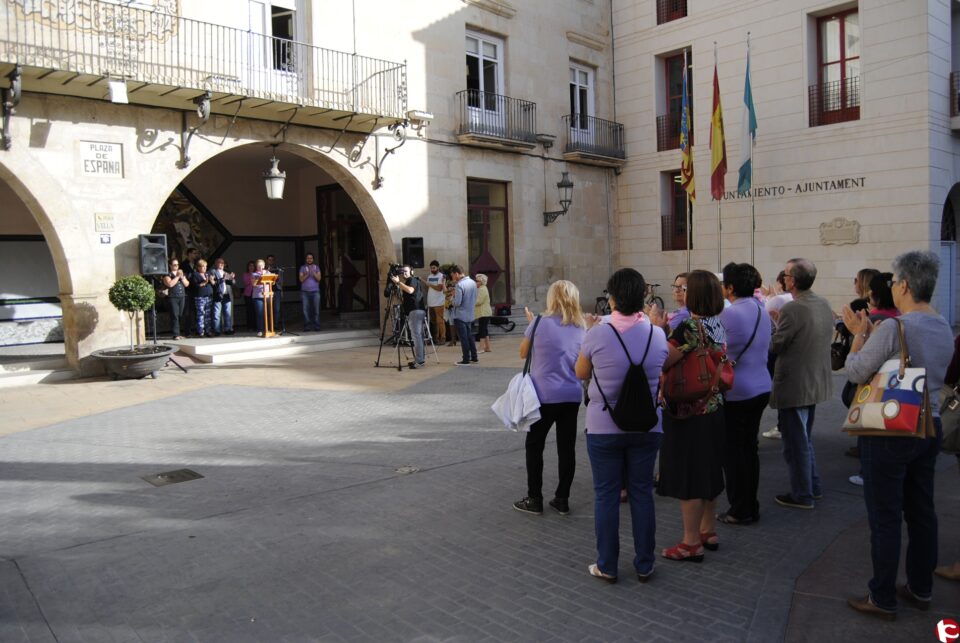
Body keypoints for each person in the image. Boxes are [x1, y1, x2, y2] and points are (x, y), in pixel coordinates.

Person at [842, 250, 953, 620]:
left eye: (893, 281)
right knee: (922, 510)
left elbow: (856, 371)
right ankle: (920, 588)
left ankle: (882, 596)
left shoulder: (896, 327)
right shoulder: (943, 326)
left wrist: (859, 337)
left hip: (891, 429)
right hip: (929, 424)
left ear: (904, 285)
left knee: (885, 515)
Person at [576, 268, 669, 582]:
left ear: (612, 297)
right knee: (642, 494)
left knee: (606, 496)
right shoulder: (658, 335)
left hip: (604, 426)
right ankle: (645, 564)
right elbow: (661, 367)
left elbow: (580, 372)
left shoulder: (598, 332)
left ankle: (607, 564)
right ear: (644, 296)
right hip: (648, 425)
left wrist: (591, 331)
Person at [651, 270, 726, 562]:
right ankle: (708, 529)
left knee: (689, 474)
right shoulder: (717, 324)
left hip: (689, 408)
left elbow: (664, 358)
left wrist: (658, 330)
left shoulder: (689, 328)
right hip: (714, 404)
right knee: (709, 467)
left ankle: (690, 542)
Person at [513, 280, 586, 516]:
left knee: (534, 446)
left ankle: (534, 498)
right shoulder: (582, 327)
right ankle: (562, 498)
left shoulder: (539, 323)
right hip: (571, 395)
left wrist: (532, 327)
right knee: (567, 449)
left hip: (543, 396)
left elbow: (523, 352)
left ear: (552, 298)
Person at [769, 258, 834, 509]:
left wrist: (773, 327)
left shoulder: (794, 309)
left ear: (792, 281)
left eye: (785, 274)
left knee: (796, 444)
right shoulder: (822, 302)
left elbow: (776, 345)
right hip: (814, 381)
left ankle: (803, 494)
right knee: (804, 439)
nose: (783, 278)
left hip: (796, 383)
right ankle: (812, 486)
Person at [717, 263, 771, 525]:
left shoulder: (730, 315)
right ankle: (750, 504)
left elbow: (713, 348)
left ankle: (740, 508)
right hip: (761, 386)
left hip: (738, 390)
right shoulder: (761, 310)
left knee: (734, 453)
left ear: (729, 288)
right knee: (749, 449)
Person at [761, 270, 793, 440]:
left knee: (776, 387)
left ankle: (782, 426)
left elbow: (766, 315)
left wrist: (768, 298)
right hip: (792, 353)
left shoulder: (779, 300)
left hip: (775, 348)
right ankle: (785, 425)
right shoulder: (793, 299)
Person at [390, 265, 427, 369]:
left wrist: (398, 282)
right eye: (403, 272)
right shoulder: (409, 281)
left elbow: (410, 290)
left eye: (406, 271)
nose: (404, 273)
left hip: (415, 311)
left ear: (412, 271)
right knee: (418, 336)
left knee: (417, 336)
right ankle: (420, 359)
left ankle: (419, 360)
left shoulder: (412, 280)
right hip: (415, 311)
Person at [449, 266, 478, 365]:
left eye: (452, 275)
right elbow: (475, 298)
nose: (453, 277)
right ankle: (474, 357)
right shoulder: (473, 283)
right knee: (469, 336)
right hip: (470, 313)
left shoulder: (459, 285)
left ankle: (466, 359)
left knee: (463, 338)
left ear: (456, 273)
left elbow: (457, 302)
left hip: (460, 315)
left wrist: (451, 300)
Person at [162, 257, 189, 340]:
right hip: (173, 297)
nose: (176, 266)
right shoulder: (167, 275)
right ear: (170, 265)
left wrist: (182, 277)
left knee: (180, 314)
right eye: (174, 265)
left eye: (177, 265)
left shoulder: (181, 274)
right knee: (175, 315)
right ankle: (175, 334)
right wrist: (177, 277)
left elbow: (187, 284)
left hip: (182, 296)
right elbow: (170, 284)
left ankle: (179, 332)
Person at [209, 257, 235, 336]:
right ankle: (217, 330)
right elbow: (213, 282)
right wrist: (222, 278)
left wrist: (232, 278)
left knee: (227, 313)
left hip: (226, 294)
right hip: (218, 294)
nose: (222, 264)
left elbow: (233, 283)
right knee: (217, 313)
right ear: (216, 264)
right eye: (220, 263)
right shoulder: (213, 271)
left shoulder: (226, 271)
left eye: (223, 263)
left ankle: (228, 329)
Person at [299, 253, 322, 331]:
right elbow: (301, 279)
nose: (309, 259)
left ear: (313, 259)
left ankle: (317, 326)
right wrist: (307, 274)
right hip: (305, 292)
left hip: (315, 292)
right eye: (308, 258)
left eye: (311, 258)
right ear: (306, 259)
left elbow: (319, 279)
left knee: (316, 310)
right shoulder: (302, 268)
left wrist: (313, 272)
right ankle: (307, 327)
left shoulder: (317, 267)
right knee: (305, 310)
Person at [425, 260, 446, 344]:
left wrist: (429, 284)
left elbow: (439, 288)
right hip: (431, 302)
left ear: (438, 267)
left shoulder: (442, 276)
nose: (432, 269)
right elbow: (429, 289)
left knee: (440, 321)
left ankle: (443, 338)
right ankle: (435, 338)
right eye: (431, 268)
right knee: (433, 322)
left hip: (439, 302)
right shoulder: (429, 276)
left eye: (434, 268)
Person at [192, 259, 214, 337]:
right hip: (200, 297)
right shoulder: (195, 274)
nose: (205, 268)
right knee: (201, 314)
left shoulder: (208, 274)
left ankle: (208, 331)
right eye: (203, 266)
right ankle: (200, 331)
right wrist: (204, 282)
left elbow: (214, 283)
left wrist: (211, 280)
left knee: (208, 314)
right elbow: (195, 286)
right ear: (198, 267)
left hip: (209, 297)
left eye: (206, 266)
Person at [475, 273, 493, 353]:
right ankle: (488, 347)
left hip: (484, 313)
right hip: (484, 312)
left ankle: (481, 347)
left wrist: (471, 301)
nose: (476, 282)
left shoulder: (482, 289)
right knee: (484, 330)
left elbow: (479, 301)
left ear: (481, 282)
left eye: (477, 281)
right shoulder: (483, 288)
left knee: (482, 330)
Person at [251, 258, 268, 337]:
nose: (260, 267)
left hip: (267, 295)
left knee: (267, 313)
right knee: (260, 314)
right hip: (258, 296)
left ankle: (268, 329)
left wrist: (265, 275)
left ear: (264, 266)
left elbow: (273, 281)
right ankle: (260, 330)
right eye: (258, 266)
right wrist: (261, 276)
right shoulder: (254, 274)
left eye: (261, 265)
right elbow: (253, 284)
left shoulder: (267, 273)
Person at [242, 260, 256, 331]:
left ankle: (256, 326)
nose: (251, 267)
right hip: (248, 294)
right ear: (248, 267)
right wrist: (253, 278)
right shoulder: (245, 274)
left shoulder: (257, 274)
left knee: (255, 310)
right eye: (250, 266)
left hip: (256, 294)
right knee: (249, 311)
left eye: (253, 265)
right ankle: (250, 326)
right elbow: (246, 283)